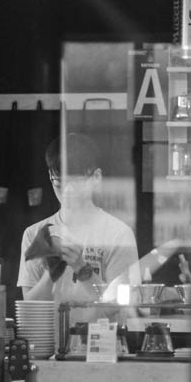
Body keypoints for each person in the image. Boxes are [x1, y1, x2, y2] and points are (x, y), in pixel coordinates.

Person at [17, 132, 139, 326]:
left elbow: (118, 305)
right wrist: (51, 271)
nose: (68, 191)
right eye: (59, 184)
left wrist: (81, 268)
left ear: (96, 177)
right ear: (50, 177)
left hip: (100, 349)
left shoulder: (118, 234)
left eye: (76, 183)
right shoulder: (35, 234)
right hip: (49, 349)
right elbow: (30, 310)